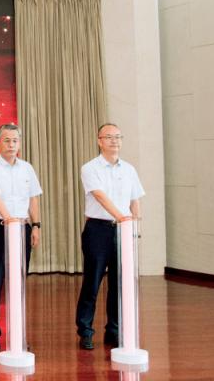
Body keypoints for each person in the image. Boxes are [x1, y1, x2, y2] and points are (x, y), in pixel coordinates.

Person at [75, 123, 145, 350]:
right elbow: (100, 196)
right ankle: (85, 331)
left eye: (118, 137)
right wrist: (121, 217)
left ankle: (113, 331)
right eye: (109, 137)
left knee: (119, 283)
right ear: (99, 141)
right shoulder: (90, 168)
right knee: (92, 282)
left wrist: (134, 226)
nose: (114, 141)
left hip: (123, 230)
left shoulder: (129, 169)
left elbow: (135, 199)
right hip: (98, 229)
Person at [0, 123, 42, 351]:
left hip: (22, 228)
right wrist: (10, 220)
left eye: (15, 140)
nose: (11, 144)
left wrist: (36, 226)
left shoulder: (27, 168)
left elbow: (33, 199)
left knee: (19, 281)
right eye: (6, 140)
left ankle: (17, 331)